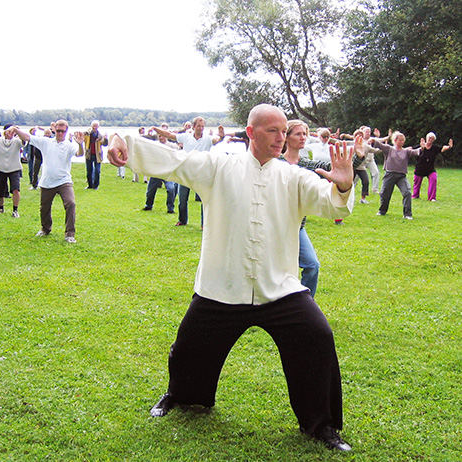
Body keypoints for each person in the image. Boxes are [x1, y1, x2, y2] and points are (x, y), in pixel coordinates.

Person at [107, 104, 355, 452]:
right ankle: (183, 396)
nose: (281, 138)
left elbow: (331, 205)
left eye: (284, 131)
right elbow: (175, 160)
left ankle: (321, 425)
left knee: (317, 335)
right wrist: (123, 140)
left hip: (278, 289)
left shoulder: (293, 176)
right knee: (189, 349)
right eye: (273, 131)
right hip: (222, 286)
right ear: (251, 132)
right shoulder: (218, 166)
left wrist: (343, 186)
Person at [281, 120, 365, 297]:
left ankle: (305, 304)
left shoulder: (308, 164)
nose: (303, 137)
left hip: (297, 227)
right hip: (273, 226)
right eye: (298, 134)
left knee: (312, 265)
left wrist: (358, 156)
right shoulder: (276, 163)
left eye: (305, 133)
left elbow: (335, 170)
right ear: (286, 137)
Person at [10, 120, 84, 243]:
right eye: (58, 130)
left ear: (66, 131)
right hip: (47, 181)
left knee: (71, 203)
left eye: (62, 131)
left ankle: (70, 234)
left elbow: (79, 154)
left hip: (64, 181)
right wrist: (15, 129)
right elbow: (28, 137)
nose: (60, 133)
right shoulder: (46, 142)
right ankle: (45, 229)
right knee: (45, 207)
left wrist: (81, 144)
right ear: (54, 129)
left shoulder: (69, 145)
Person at [150, 116, 219, 226]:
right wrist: (155, 128)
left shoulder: (207, 139)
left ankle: (203, 224)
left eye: (202, 126)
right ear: (194, 126)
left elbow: (215, 140)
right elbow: (169, 135)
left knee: (204, 199)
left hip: (201, 173)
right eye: (199, 126)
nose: (201, 128)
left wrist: (220, 136)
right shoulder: (186, 137)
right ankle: (182, 220)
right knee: (182, 199)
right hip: (186, 172)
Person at [372, 131, 422, 219]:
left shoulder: (406, 151)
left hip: (401, 176)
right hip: (389, 175)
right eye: (400, 140)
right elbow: (379, 145)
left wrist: (422, 148)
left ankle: (407, 214)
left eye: (403, 140)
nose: (402, 142)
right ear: (395, 140)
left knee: (407, 192)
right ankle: (382, 211)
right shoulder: (389, 149)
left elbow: (415, 152)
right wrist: (372, 140)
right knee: (385, 194)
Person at [142, 134, 178, 214]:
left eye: (162, 136)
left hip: (167, 172)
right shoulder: (155, 144)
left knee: (171, 189)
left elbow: (178, 153)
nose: (161, 138)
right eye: (159, 136)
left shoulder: (171, 146)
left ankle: (170, 208)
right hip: (156, 171)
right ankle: (148, 205)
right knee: (150, 190)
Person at [412, 132, 453, 201]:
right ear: (426, 138)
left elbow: (442, 148)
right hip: (420, 168)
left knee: (434, 179)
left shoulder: (434, 148)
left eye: (432, 139)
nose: (430, 139)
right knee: (417, 183)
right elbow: (411, 150)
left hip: (430, 169)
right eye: (429, 138)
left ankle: (432, 198)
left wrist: (449, 147)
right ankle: (415, 195)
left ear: (434, 140)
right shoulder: (420, 146)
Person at [83, 120, 108, 189]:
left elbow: (105, 144)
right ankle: (90, 185)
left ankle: (96, 185)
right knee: (89, 171)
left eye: (96, 126)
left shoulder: (100, 136)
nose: (95, 127)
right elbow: (82, 138)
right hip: (89, 154)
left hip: (97, 155)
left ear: (98, 127)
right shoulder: (87, 134)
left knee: (97, 171)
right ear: (91, 126)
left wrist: (106, 139)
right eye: (94, 126)